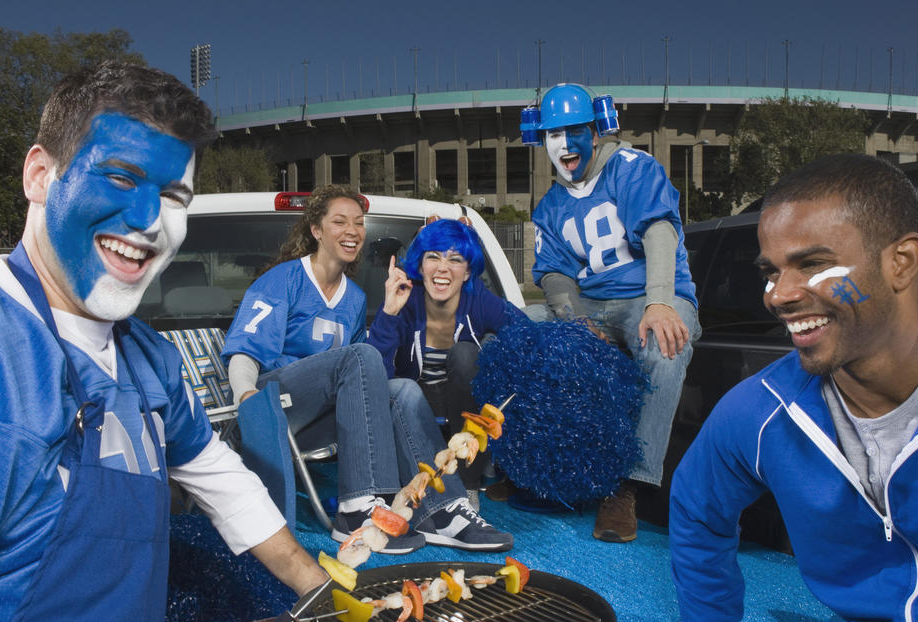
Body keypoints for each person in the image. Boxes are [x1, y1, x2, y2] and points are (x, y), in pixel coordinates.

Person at [0, 61, 326, 622]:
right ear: (39, 175)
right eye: (122, 178)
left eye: (175, 195)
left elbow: (218, 476)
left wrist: (324, 593)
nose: (148, 220)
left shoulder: (148, 358)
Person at [669, 154, 918, 622]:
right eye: (770, 271)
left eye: (812, 264)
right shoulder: (761, 410)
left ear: (901, 262)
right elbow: (696, 513)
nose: (777, 295)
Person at [221, 185, 513, 552]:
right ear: (316, 230)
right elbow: (244, 354)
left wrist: (389, 312)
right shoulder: (283, 280)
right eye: (339, 221)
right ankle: (357, 507)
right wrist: (247, 400)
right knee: (359, 356)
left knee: (404, 389)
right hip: (273, 409)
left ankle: (442, 509)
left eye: (359, 223)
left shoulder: (355, 298)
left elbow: (366, 377)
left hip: (318, 423)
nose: (352, 230)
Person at [522, 83, 700, 542]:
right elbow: (555, 276)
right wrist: (574, 321)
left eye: (574, 131)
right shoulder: (550, 205)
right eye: (553, 135)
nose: (564, 144)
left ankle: (626, 486)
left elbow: (660, 232)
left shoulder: (630, 167)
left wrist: (660, 300)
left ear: (595, 131)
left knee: (666, 342)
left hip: (650, 291)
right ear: (541, 141)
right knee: (517, 330)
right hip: (591, 302)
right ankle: (526, 464)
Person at [366, 217, 529, 504]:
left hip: (466, 406)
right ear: (420, 266)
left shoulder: (477, 297)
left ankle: (468, 485)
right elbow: (374, 371)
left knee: (466, 354)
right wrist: (389, 313)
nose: (442, 267)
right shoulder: (405, 298)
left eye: (455, 259)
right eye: (433, 257)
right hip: (412, 405)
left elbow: (526, 335)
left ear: (467, 272)